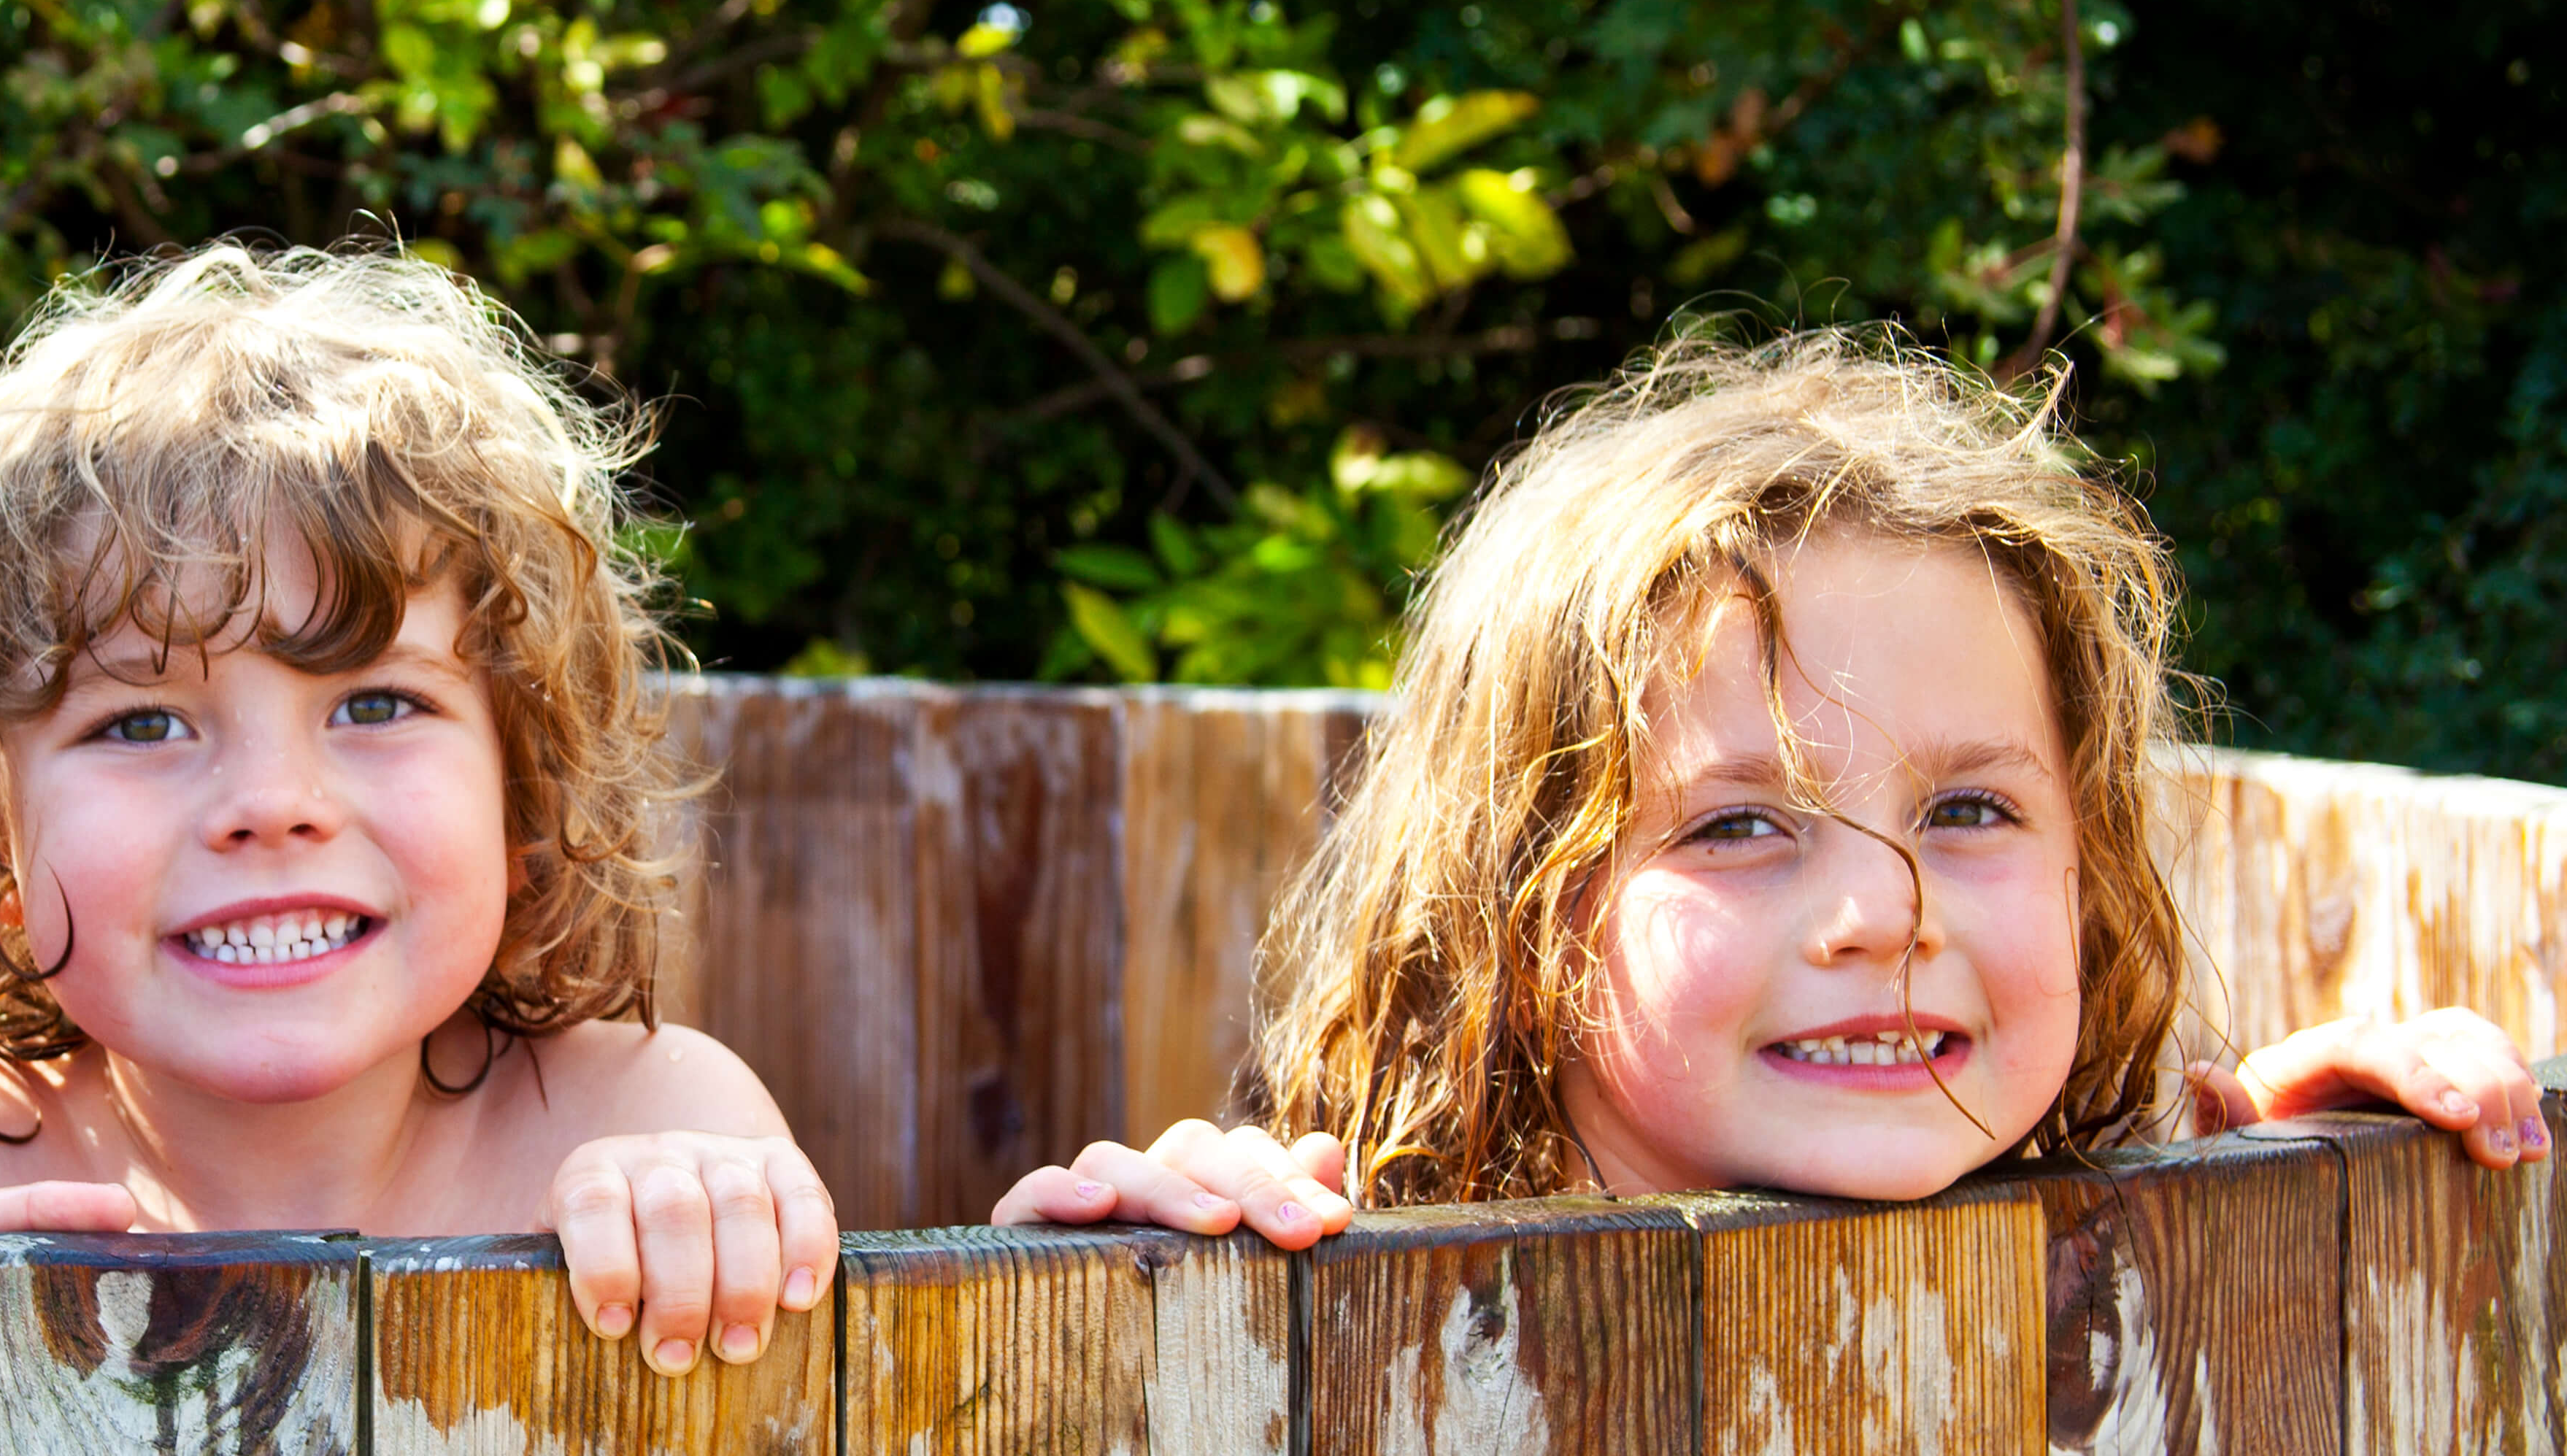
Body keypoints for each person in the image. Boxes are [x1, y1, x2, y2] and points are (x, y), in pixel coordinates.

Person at [0, 243, 839, 1394]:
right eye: (142, 725)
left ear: (522, 785)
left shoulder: (646, 1115)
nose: (272, 806)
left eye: (378, 703)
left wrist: (707, 1212)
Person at [996, 326, 2546, 1236]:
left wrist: (2278, 1187)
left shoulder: (2134, 1245)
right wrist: (1146, 1289)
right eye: (1738, 823)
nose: (1882, 908)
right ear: (1516, 915)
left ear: (2096, 876)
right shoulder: (1342, 1280)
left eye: (1970, 808)